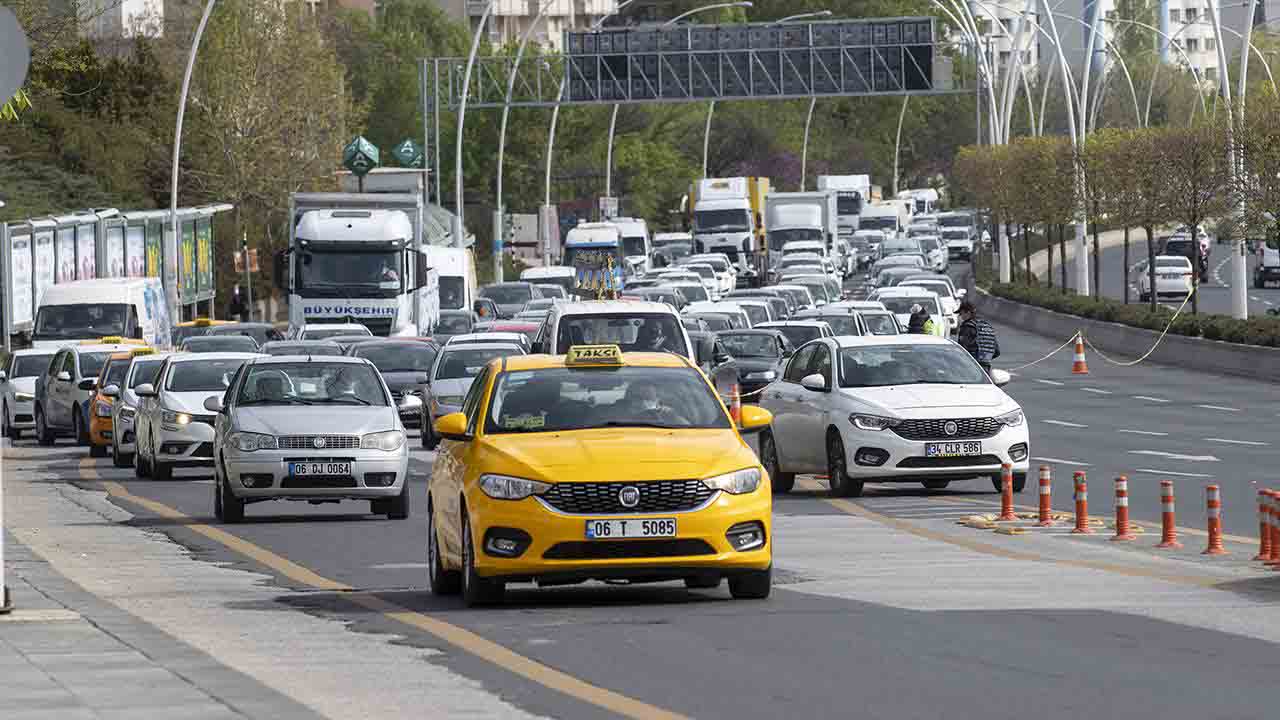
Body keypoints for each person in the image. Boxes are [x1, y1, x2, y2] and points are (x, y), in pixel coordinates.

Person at [956, 300, 1000, 374]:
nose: (960, 316)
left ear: (968, 313)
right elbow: (996, 351)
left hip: (970, 367)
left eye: (961, 313)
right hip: (986, 368)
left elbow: (962, 350)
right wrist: (985, 358)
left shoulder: (967, 327)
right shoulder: (987, 326)